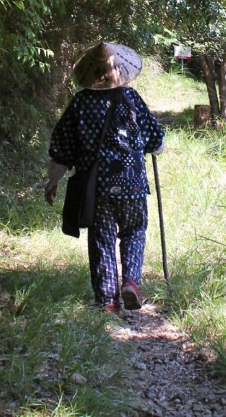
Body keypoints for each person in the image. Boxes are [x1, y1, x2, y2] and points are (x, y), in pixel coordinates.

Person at [43, 41, 165, 312]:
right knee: (134, 232)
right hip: (132, 182)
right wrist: (153, 147)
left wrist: (53, 181)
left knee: (102, 240)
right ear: (119, 71)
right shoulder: (130, 98)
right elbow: (155, 138)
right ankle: (131, 282)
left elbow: (62, 146)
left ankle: (107, 301)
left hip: (97, 187)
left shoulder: (80, 103)